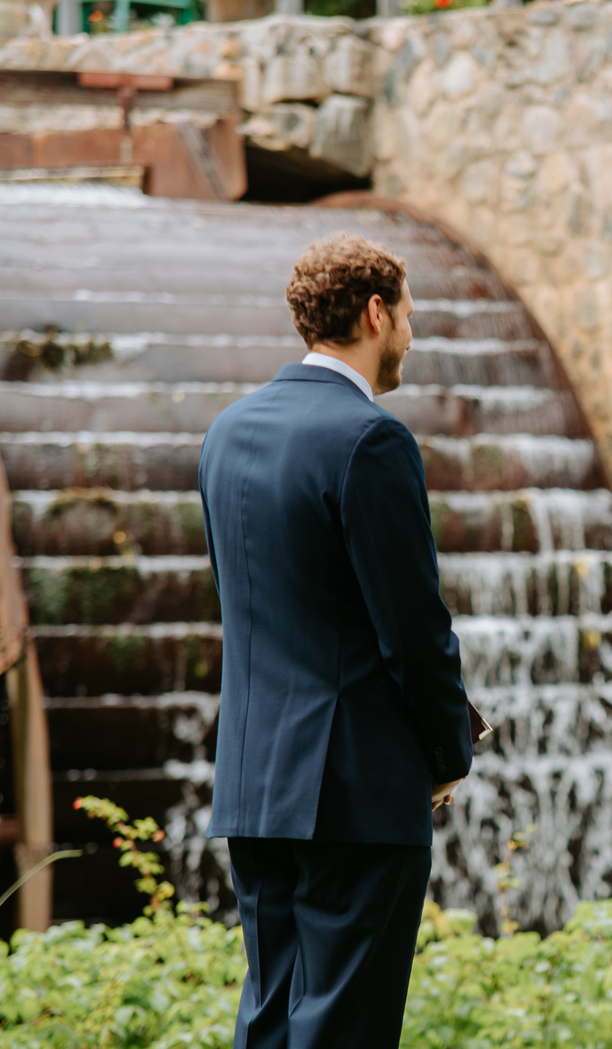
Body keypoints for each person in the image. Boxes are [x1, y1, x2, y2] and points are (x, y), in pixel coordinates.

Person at [198, 233, 475, 1049]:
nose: (410, 340)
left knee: (273, 1019)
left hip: (256, 785)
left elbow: (257, 608)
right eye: (408, 319)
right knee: (342, 1030)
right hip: (355, 794)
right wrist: (447, 752)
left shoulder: (227, 432)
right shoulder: (371, 438)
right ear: (376, 312)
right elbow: (412, 629)